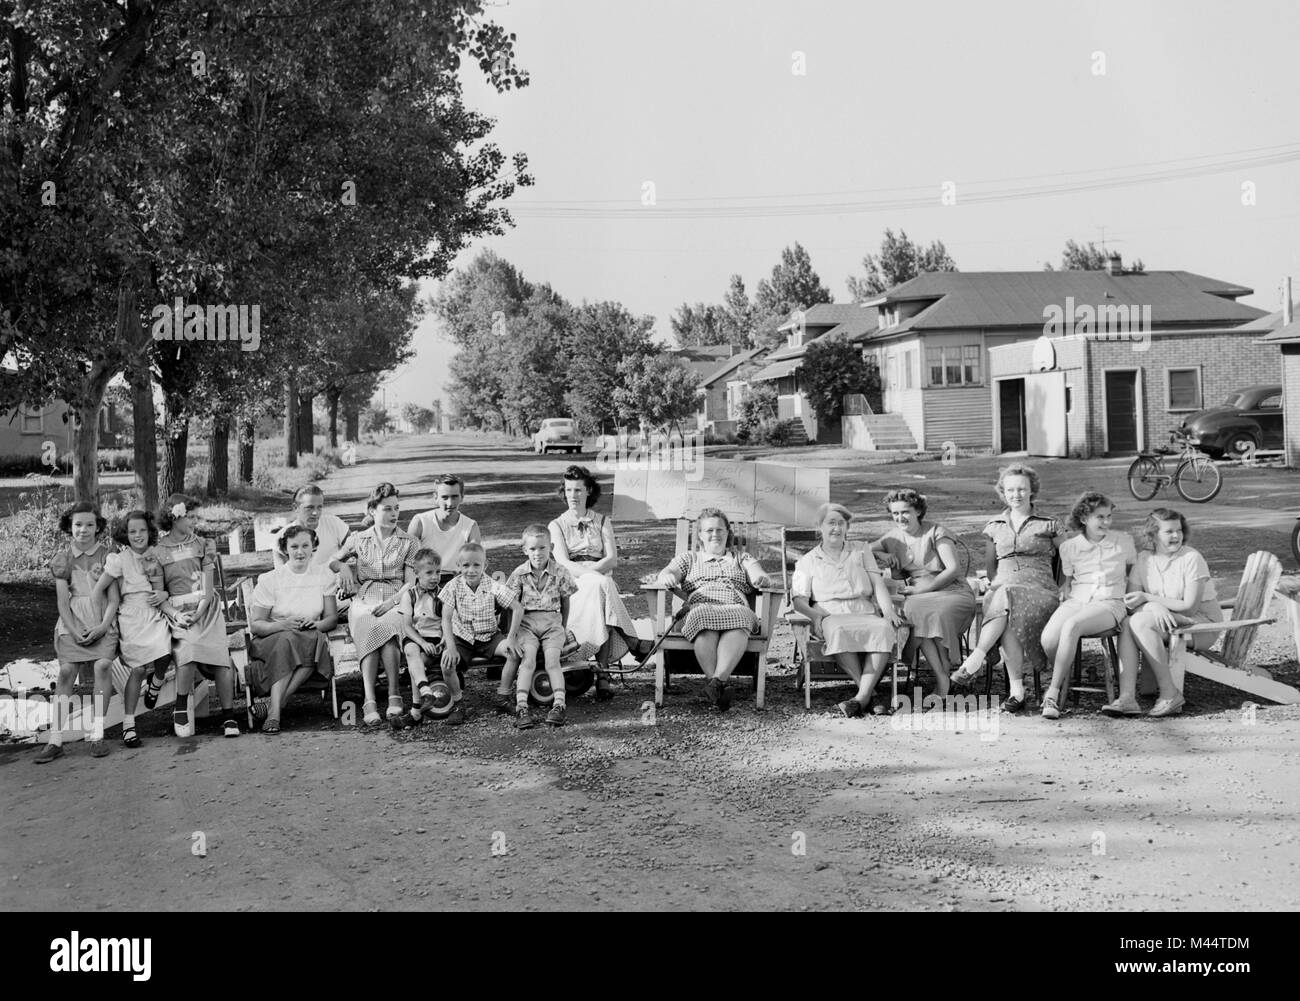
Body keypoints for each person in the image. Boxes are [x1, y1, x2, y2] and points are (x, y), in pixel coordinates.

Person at [950, 464, 1063, 714]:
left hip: (1040, 588)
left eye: (1022, 489)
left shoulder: (1049, 524)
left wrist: (1064, 586)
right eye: (1011, 490)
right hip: (1004, 591)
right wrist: (998, 584)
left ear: (1032, 490)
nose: (1017, 494)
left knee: (1007, 596)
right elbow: (992, 570)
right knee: (1006, 602)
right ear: (1003, 492)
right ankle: (1017, 692)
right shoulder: (994, 526)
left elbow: (1068, 559)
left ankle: (976, 658)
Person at [1103, 508, 1220, 719]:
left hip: (1201, 624)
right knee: (1130, 622)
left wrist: (1149, 600)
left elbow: (1190, 607)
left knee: (1139, 622)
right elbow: (1131, 601)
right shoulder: (1144, 559)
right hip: (1166, 620)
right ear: (1153, 534)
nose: (1176, 536)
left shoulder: (1191, 558)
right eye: (1169, 531)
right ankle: (1127, 697)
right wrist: (1152, 606)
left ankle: (1169, 693)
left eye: (1179, 530)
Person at [791, 503, 903, 718]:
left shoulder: (861, 549)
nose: (836, 528)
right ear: (820, 527)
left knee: (882, 629)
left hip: (864, 609)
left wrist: (888, 611)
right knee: (839, 631)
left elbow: (878, 583)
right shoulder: (808, 560)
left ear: (847, 527)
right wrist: (815, 615)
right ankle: (871, 694)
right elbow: (798, 600)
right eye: (831, 523)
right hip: (830, 612)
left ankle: (860, 699)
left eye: (841, 523)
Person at [656, 508, 772, 712]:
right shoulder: (689, 559)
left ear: (728, 533)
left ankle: (715, 685)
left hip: (735, 606)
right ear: (700, 534)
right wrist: (668, 576)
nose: (715, 534)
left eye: (720, 529)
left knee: (742, 616)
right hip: (699, 607)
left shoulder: (741, 558)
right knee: (702, 616)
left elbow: (758, 573)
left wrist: (759, 578)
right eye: (709, 530)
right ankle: (718, 684)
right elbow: (669, 571)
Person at [548, 465, 648, 701]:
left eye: (578, 490)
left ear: (589, 491)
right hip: (572, 582)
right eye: (569, 490)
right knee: (603, 586)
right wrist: (592, 575)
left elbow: (611, 559)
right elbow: (562, 562)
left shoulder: (602, 521)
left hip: (601, 577)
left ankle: (606, 672)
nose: (573, 495)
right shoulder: (557, 525)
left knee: (602, 590)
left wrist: (595, 573)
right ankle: (627, 649)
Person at [1039, 492, 1137, 720]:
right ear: (1084, 518)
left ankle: (1052, 694)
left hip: (1110, 602)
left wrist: (1132, 602)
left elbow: (1134, 576)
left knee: (1072, 626)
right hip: (1078, 600)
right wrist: (1063, 596)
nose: (1106, 522)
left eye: (1109, 516)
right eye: (1100, 517)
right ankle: (1071, 674)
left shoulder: (1123, 541)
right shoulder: (1070, 547)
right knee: (1049, 639)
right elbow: (1069, 581)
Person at [35, 503, 120, 763]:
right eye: (78, 525)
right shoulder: (63, 559)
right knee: (66, 671)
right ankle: (56, 739)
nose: (84, 530)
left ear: (98, 527)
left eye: (90, 525)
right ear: (69, 527)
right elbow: (63, 603)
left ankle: (97, 734)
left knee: (102, 667)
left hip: (101, 620)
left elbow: (114, 599)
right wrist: (73, 630)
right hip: (72, 621)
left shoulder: (108, 555)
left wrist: (103, 627)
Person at [328, 482, 417, 726]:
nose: (394, 514)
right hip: (365, 596)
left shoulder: (408, 542)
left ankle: (393, 694)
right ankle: (369, 699)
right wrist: (344, 566)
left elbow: (411, 582)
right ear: (372, 511)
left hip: (396, 595)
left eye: (396, 508)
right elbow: (332, 561)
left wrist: (392, 602)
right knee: (367, 621)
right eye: (387, 509)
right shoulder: (359, 539)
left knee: (389, 624)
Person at [873, 489, 977, 697]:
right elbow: (861, 550)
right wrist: (882, 553)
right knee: (918, 613)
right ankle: (943, 679)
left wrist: (924, 588)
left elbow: (953, 569)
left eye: (905, 512)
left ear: (918, 511)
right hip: (918, 596)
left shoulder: (936, 532)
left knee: (930, 614)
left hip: (952, 590)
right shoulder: (893, 537)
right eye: (895, 513)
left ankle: (942, 679)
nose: (900, 518)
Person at [154, 494, 241, 739]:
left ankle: (228, 715)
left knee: (221, 660)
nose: (194, 521)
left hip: (206, 608)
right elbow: (159, 593)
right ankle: (180, 706)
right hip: (177, 612)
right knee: (188, 650)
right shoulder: (158, 551)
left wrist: (200, 610)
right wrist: (175, 614)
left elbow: (207, 583)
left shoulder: (201, 544)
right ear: (175, 517)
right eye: (190, 516)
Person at [91, 511, 173, 749]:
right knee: (137, 670)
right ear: (125, 535)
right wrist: (103, 621)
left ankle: (156, 682)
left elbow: (163, 587)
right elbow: (99, 590)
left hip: (153, 611)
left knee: (165, 648)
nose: (138, 535)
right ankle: (129, 724)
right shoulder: (118, 559)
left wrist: (164, 593)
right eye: (132, 531)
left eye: (142, 530)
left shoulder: (154, 557)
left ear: (150, 532)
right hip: (130, 616)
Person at [247, 525, 339, 734]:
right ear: (285, 548)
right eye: (294, 546)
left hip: (308, 636)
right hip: (273, 638)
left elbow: (331, 619)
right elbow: (256, 625)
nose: (300, 551)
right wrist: (284, 625)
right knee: (289, 640)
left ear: (313, 546)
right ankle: (275, 713)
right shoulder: (271, 579)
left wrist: (315, 624)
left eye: (305, 545)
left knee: (314, 639)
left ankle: (273, 709)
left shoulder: (323, 576)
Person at [503, 525, 577, 730]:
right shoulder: (519, 574)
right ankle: (521, 707)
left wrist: (562, 626)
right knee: (528, 661)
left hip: (552, 623)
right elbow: (511, 605)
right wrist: (512, 633)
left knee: (553, 661)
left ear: (551, 547)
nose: (538, 553)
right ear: (524, 550)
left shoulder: (560, 572)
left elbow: (565, 601)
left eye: (542, 548)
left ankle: (559, 705)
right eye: (533, 549)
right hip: (526, 624)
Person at [439, 542, 524, 718]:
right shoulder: (453, 586)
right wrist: (451, 646)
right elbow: (446, 618)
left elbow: (517, 608)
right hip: (462, 638)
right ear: (458, 566)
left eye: (476, 565)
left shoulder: (492, 585)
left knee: (513, 653)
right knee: (446, 664)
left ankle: (503, 696)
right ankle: (458, 704)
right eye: (466, 565)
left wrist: (511, 637)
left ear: (485, 565)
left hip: (489, 637)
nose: (471, 570)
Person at [396, 549, 450, 724]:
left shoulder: (444, 595)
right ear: (416, 573)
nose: (435, 577)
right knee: (411, 650)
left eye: (438, 572)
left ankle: (416, 711)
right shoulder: (409, 595)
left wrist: (444, 640)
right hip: (416, 636)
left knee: (416, 663)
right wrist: (421, 642)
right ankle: (426, 693)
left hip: (435, 639)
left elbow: (447, 622)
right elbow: (407, 626)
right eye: (429, 573)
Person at [407, 474, 481, 572]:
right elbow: (408, 563)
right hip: (424, 580)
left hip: (455, 582)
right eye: (445, 497)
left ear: (462, 497)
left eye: (454, 497)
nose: (450, 503)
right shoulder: (420, 522)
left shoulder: (471, 527)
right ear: (435, 498)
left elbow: (475, 563)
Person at [272, 485, 350, 575]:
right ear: (295, 508)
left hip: (335, 584)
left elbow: (355, 547)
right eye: (309, 507)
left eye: (319, 507)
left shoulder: (333, 523)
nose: (315, 513)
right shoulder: (281, 537)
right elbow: (283, 577)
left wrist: (342, 565)